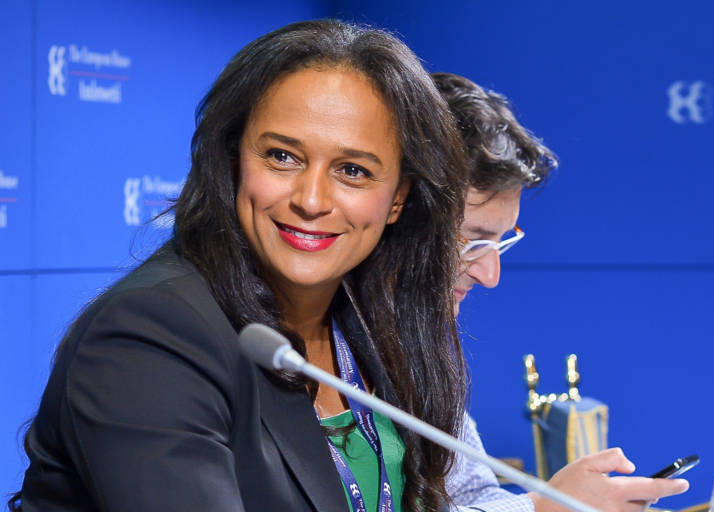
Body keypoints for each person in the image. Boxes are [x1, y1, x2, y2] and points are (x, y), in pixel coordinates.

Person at [10, 21, 469, 512]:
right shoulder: (149, 334)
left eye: (352, 170)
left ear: (398, 198)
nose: (312, 200)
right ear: (233, 161)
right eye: (282, 157)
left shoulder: (375, 323)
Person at [432, 72, 691, 512]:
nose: (490, 275)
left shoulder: (418, 349)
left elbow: (471, 496)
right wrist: (541, 507)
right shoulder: (318, 353)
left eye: (500, 243)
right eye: (473, 241)